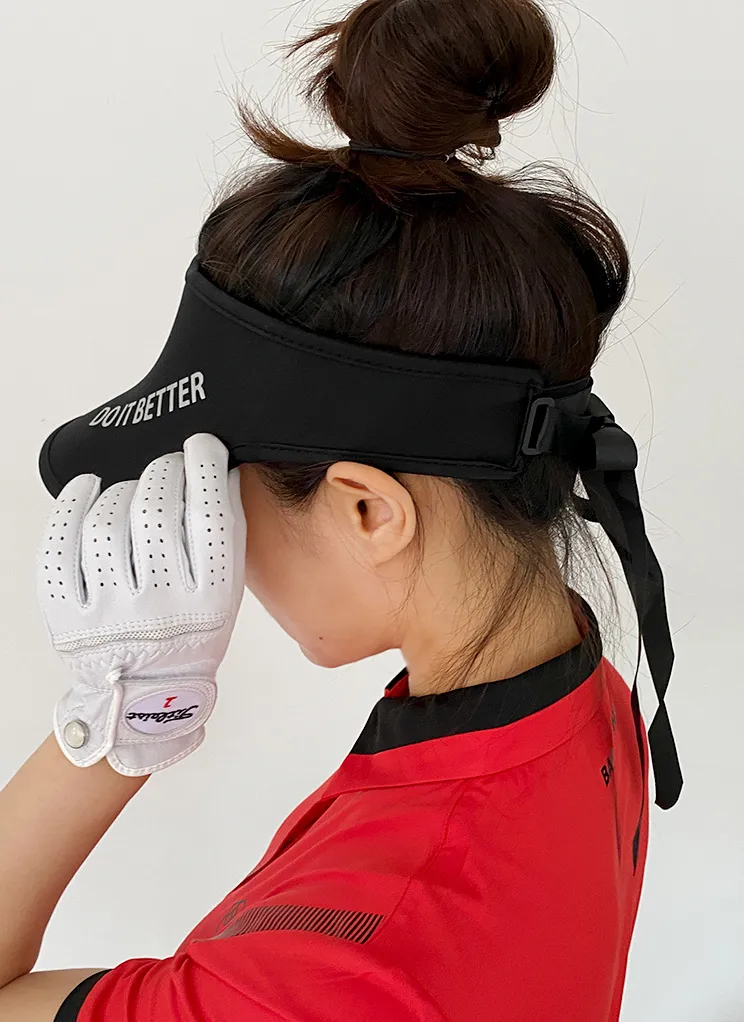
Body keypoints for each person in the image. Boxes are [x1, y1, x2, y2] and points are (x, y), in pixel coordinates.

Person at [0, 0, 680, 1018]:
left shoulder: (317, 988)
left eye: (223, 500)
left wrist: (108, 725)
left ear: (369, 510)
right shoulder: (580, 698)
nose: (221, 557)